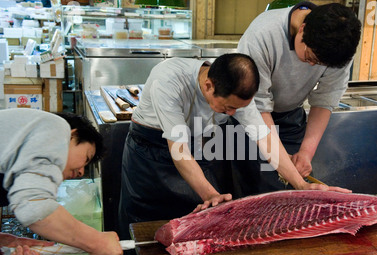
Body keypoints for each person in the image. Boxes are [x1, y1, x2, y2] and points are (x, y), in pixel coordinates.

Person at [119, 53, 350, 238]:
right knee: (146, 232)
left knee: (196, 232)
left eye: (237, 110)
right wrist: (210, 193)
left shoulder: (238, 91)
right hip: (150, 154)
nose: (232, 114)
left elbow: (264, 139)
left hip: (196, 149)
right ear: (208, 85)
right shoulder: (168, 80)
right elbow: (178, 148)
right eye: (228, 108)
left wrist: (300, 184)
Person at [233, 2, 362, 197]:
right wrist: (296, 180)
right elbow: (257, 106)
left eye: (320, 64)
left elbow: (324, 100)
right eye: (310, 57)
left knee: (296, 192)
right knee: (255, 192)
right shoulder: (263, 34)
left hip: (290, 117)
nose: (312, 66)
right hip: (251, 116)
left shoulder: (340, 47)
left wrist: (306, 153)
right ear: (302, 29)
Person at [0, 109, 123, 255]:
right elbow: (34, 207)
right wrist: (96, 242)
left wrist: (3, 242)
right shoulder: (56, 126)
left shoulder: (15, 169)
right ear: (73, 135)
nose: (81, 172)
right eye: (86, 158)